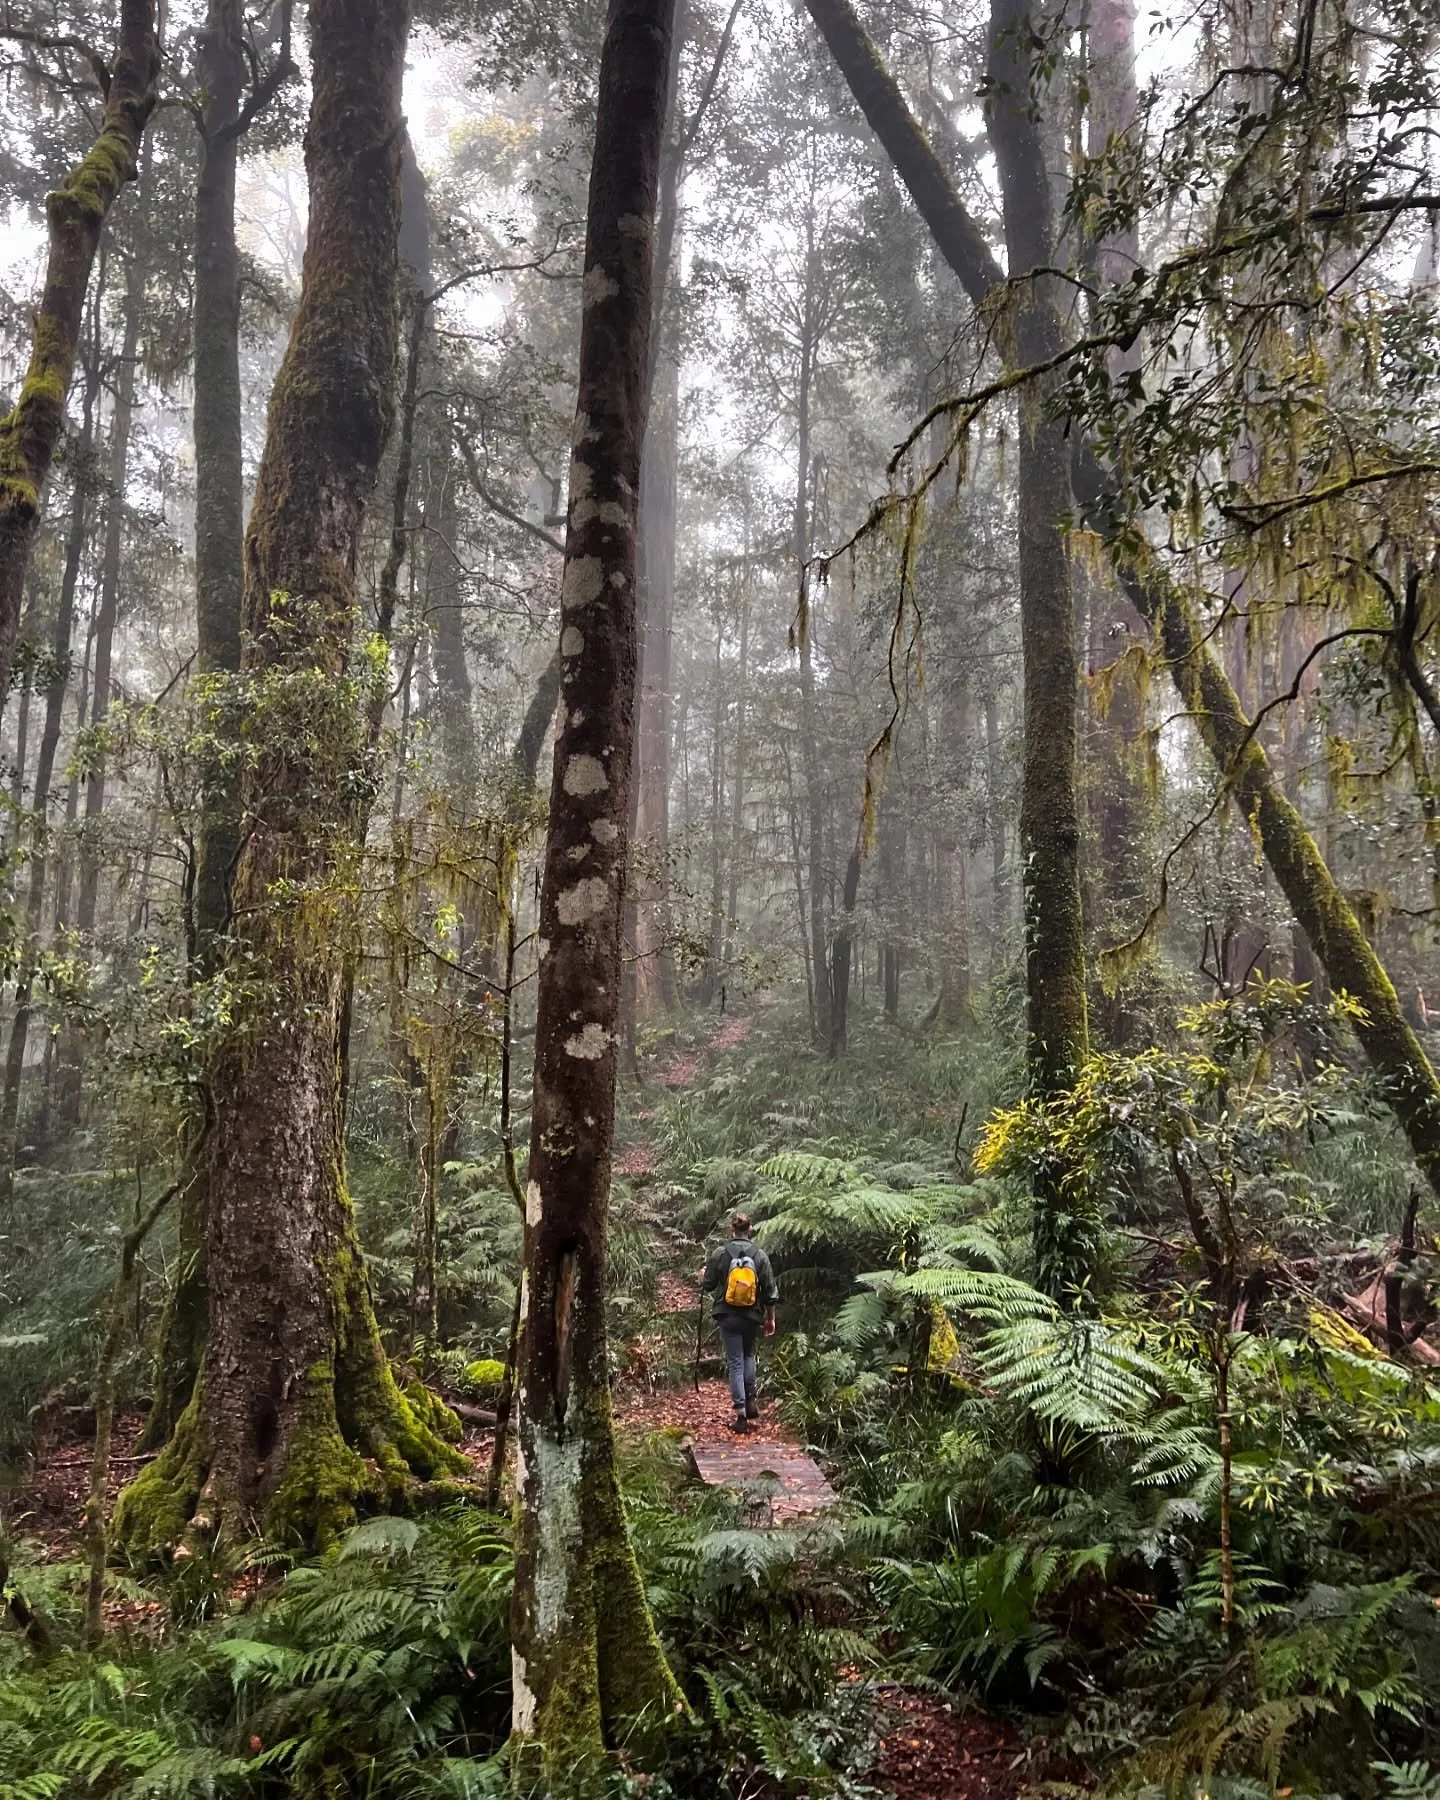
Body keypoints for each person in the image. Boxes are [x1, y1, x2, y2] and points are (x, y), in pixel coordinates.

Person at [700, 1211, 779, 1433]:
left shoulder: (720, 1253)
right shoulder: (760, 1255)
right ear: (750, 1229)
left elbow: (708, 1285)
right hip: (752, 1316)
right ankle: (751, 1398)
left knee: (735, 1361)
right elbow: (770, 1292)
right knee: (747, 1356)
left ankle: (741, 1415)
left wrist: (703, 1275)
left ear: (731, 1230)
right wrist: (770, 1319)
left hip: (727, 1315)